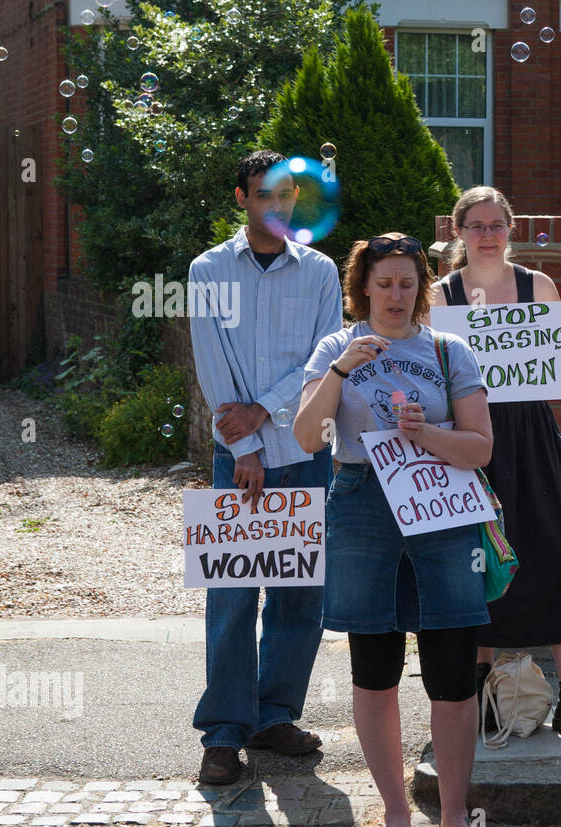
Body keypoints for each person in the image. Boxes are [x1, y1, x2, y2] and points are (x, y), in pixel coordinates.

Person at [296, 233, 492, 827]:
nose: (396, 295)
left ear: (421, 287)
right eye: (384, 283)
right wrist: (341, 368)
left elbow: (481, 447)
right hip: (362, 507)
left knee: (453, 672)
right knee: (374, 670)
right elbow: (306, 436)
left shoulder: (446, 348)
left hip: (442, 510)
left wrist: (428, 432)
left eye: (408, 282)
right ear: (363, 287)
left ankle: (456, 814)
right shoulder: (336, 347)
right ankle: (395, 813)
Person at [429, 186, 561, 737]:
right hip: (471, 438)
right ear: (458, 232)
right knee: (477, 557)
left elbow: (546, 369)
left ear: (511, 228)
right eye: (476, 225)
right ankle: (475, 695)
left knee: (551, 551)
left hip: (531, 434)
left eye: (497, 224)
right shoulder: (439, 296)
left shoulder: (537, 285)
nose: (488, 234)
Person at [188, 149, 340, 786]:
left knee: (299, 598)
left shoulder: (323, 270)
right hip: (240, 458)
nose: (275, 206)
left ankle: (275, 715)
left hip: (306, 450)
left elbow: (325, 356)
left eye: (284, 196)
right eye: (262, 195)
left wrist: (266, 411)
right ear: (242, 199)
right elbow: (210, 356)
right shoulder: (209, 269)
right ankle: (224, 732)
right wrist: (244, 443)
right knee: (231, 597)